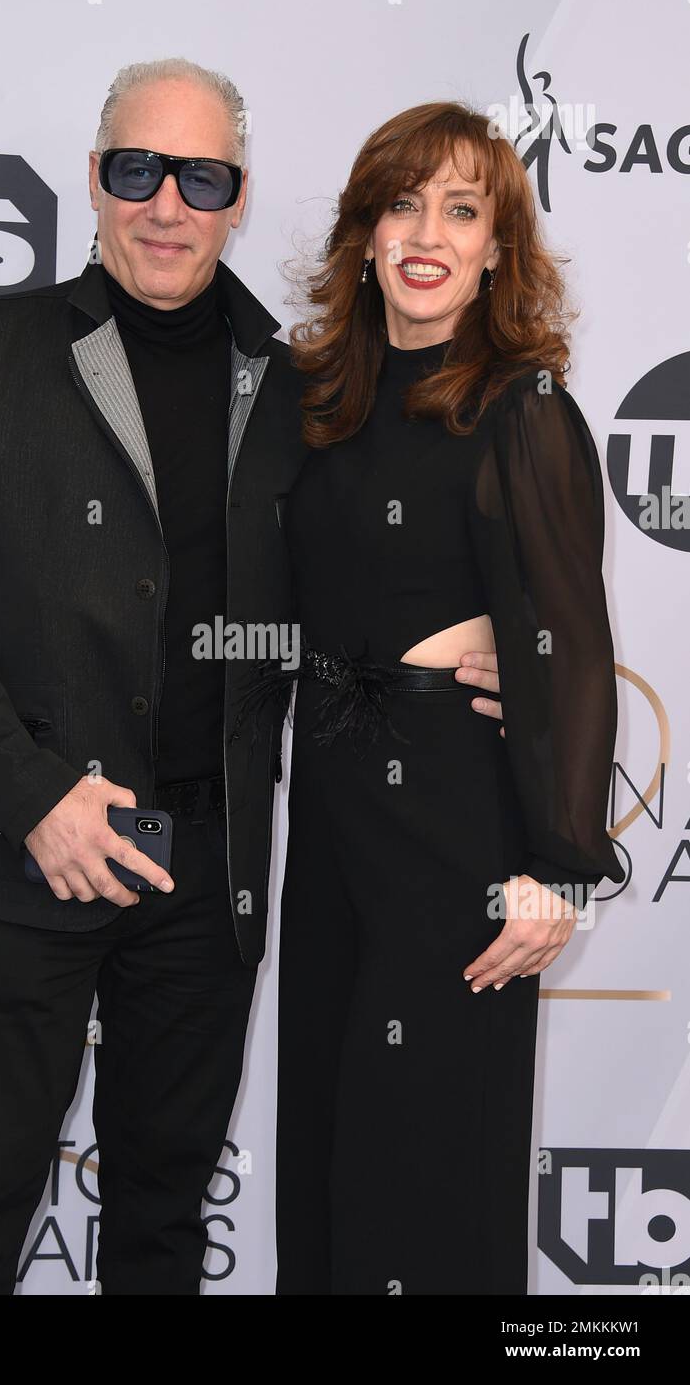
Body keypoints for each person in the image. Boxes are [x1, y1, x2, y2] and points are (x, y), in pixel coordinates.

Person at [0, 60, 503, 1294]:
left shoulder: (305, 386)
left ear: (237, 196)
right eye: (137, 169)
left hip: (203, 883)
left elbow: (343, 595)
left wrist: (471, 648)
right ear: (94, 182)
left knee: (162, 1219)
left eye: (199, 175)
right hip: (16, 854)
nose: (167, 202)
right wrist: (37, 796)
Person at [272, 102, 626, 1295]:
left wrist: (556, 868)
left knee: (426, 1166)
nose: (427, 232)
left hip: (454, 834)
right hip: (328, 826)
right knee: (325, 1159)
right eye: (403, 203)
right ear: (365, 232)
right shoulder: (317, 402)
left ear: (494, 251)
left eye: (461, 211)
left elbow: (571, 650)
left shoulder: (522, 409)